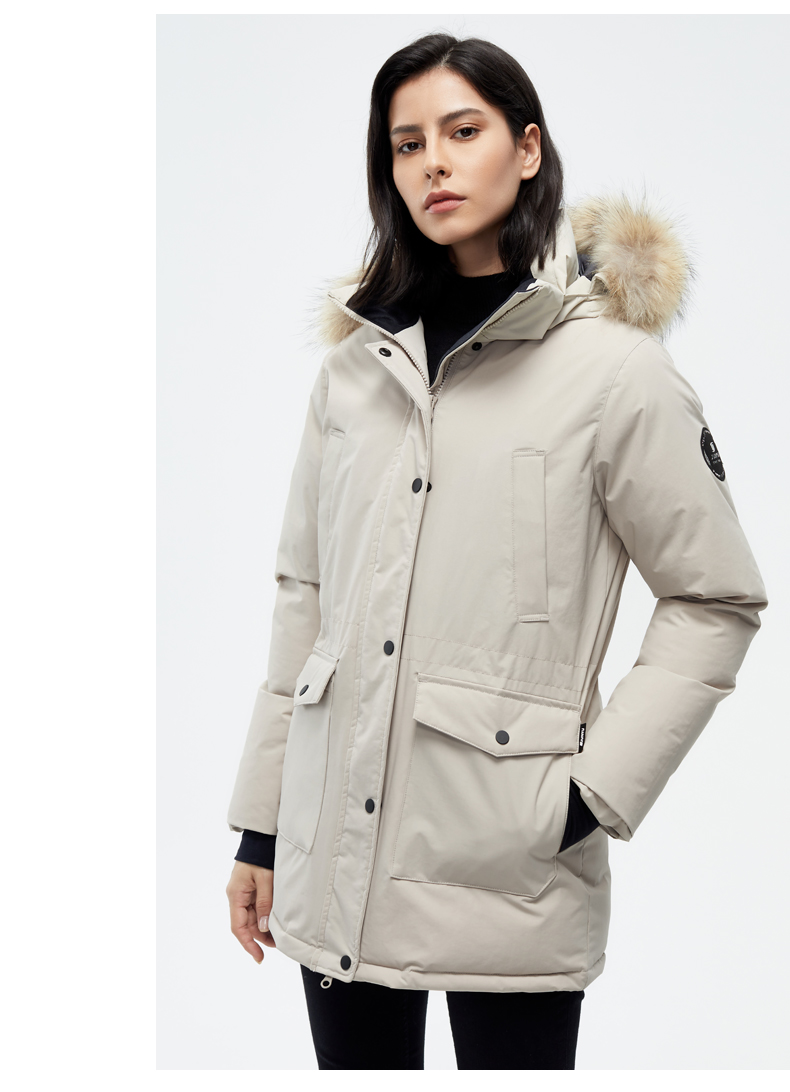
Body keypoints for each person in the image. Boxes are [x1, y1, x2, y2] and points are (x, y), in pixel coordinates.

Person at [224, 33, 768, 1070]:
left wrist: (589, 797)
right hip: (331, 854)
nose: (433, 161)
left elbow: (715, 598)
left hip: (509, 861)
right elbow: (306, 599)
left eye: (462, 131)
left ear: (526, 149)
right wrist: (261, 829)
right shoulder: (354, 373)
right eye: (406, 143)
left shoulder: (615, 373)